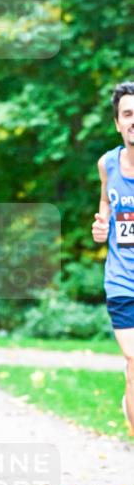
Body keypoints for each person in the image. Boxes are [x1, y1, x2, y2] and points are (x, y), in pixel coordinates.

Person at [91, 80, 134, 434]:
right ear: (117, 123)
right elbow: (106, 202)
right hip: (122, 281)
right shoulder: (107, 164)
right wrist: (102, 223)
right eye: (128, 114)